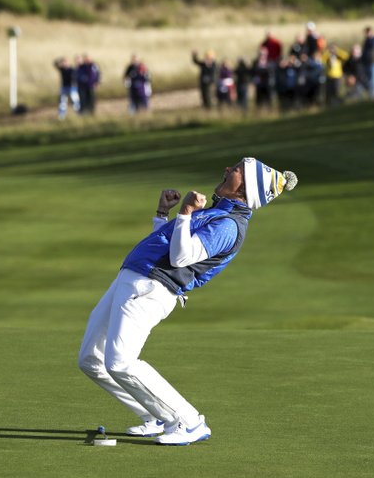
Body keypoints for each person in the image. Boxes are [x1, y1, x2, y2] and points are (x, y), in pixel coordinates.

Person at [77, 158, 298, 446]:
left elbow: (181, 258)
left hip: (151, 289)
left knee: (120, 361)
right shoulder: (216, 213)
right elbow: (165, 244)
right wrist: (163, 214)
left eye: (237, 170)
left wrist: (185, 212)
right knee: (91, 359)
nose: (228, 169)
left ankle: (188, 422)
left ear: (245, 189)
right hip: (133, 279)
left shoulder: (228, 225)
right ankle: (154, 416)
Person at [361, 26, 374, 99]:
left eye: (368, 32)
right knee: (369, 79)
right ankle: (371, 95)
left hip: (373, 62)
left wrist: (372, 37)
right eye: (366, 32)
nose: (367, 34)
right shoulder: (366, 41)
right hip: (367, 63)